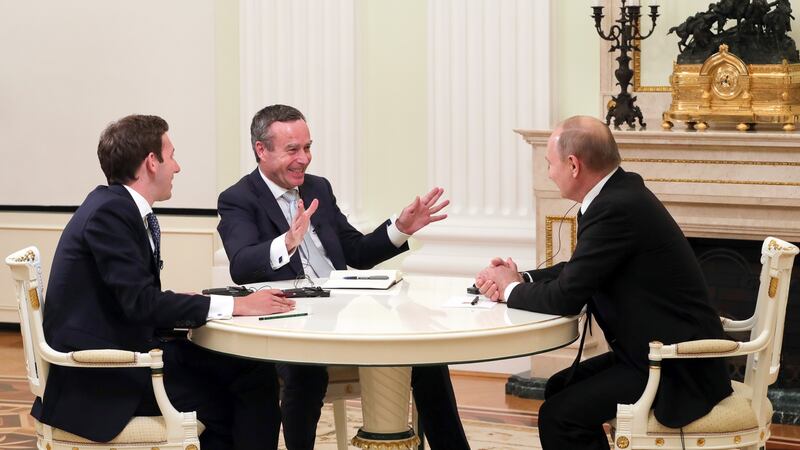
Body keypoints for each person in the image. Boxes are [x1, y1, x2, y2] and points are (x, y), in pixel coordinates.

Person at [217, 104, 470, 450]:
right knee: (304, 369)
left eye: (307, 148)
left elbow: (357, 253)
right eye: (292, 150)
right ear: (261, 150)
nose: (304, 159)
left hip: (342, 312)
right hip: (289, 322)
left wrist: (400, 229)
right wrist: (287, 243)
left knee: (423, 351)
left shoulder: (318, 187)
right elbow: (242, 265)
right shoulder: (239, 199)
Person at [37, 115, 296, 449]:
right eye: (171, 156)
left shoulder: (114, 206)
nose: (177, 167)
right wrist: (236, 305)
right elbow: (142, 303)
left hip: (127, 348)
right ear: (151, 162)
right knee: (239, 390)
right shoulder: (111, 214)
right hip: (103, 377)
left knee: (247, 370)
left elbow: (133, 298)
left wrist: (187, 306)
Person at [475, 116, 732, 450]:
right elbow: (581, 271)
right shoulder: (617, 194)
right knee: (559, 388)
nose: (549, 173)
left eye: (549, 164)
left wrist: (509, 289)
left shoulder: (616, 207)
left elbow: (567, 297)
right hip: (651, 353)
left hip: (675, 368)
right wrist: (521, 278)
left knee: (559, 415)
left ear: (573, 165)